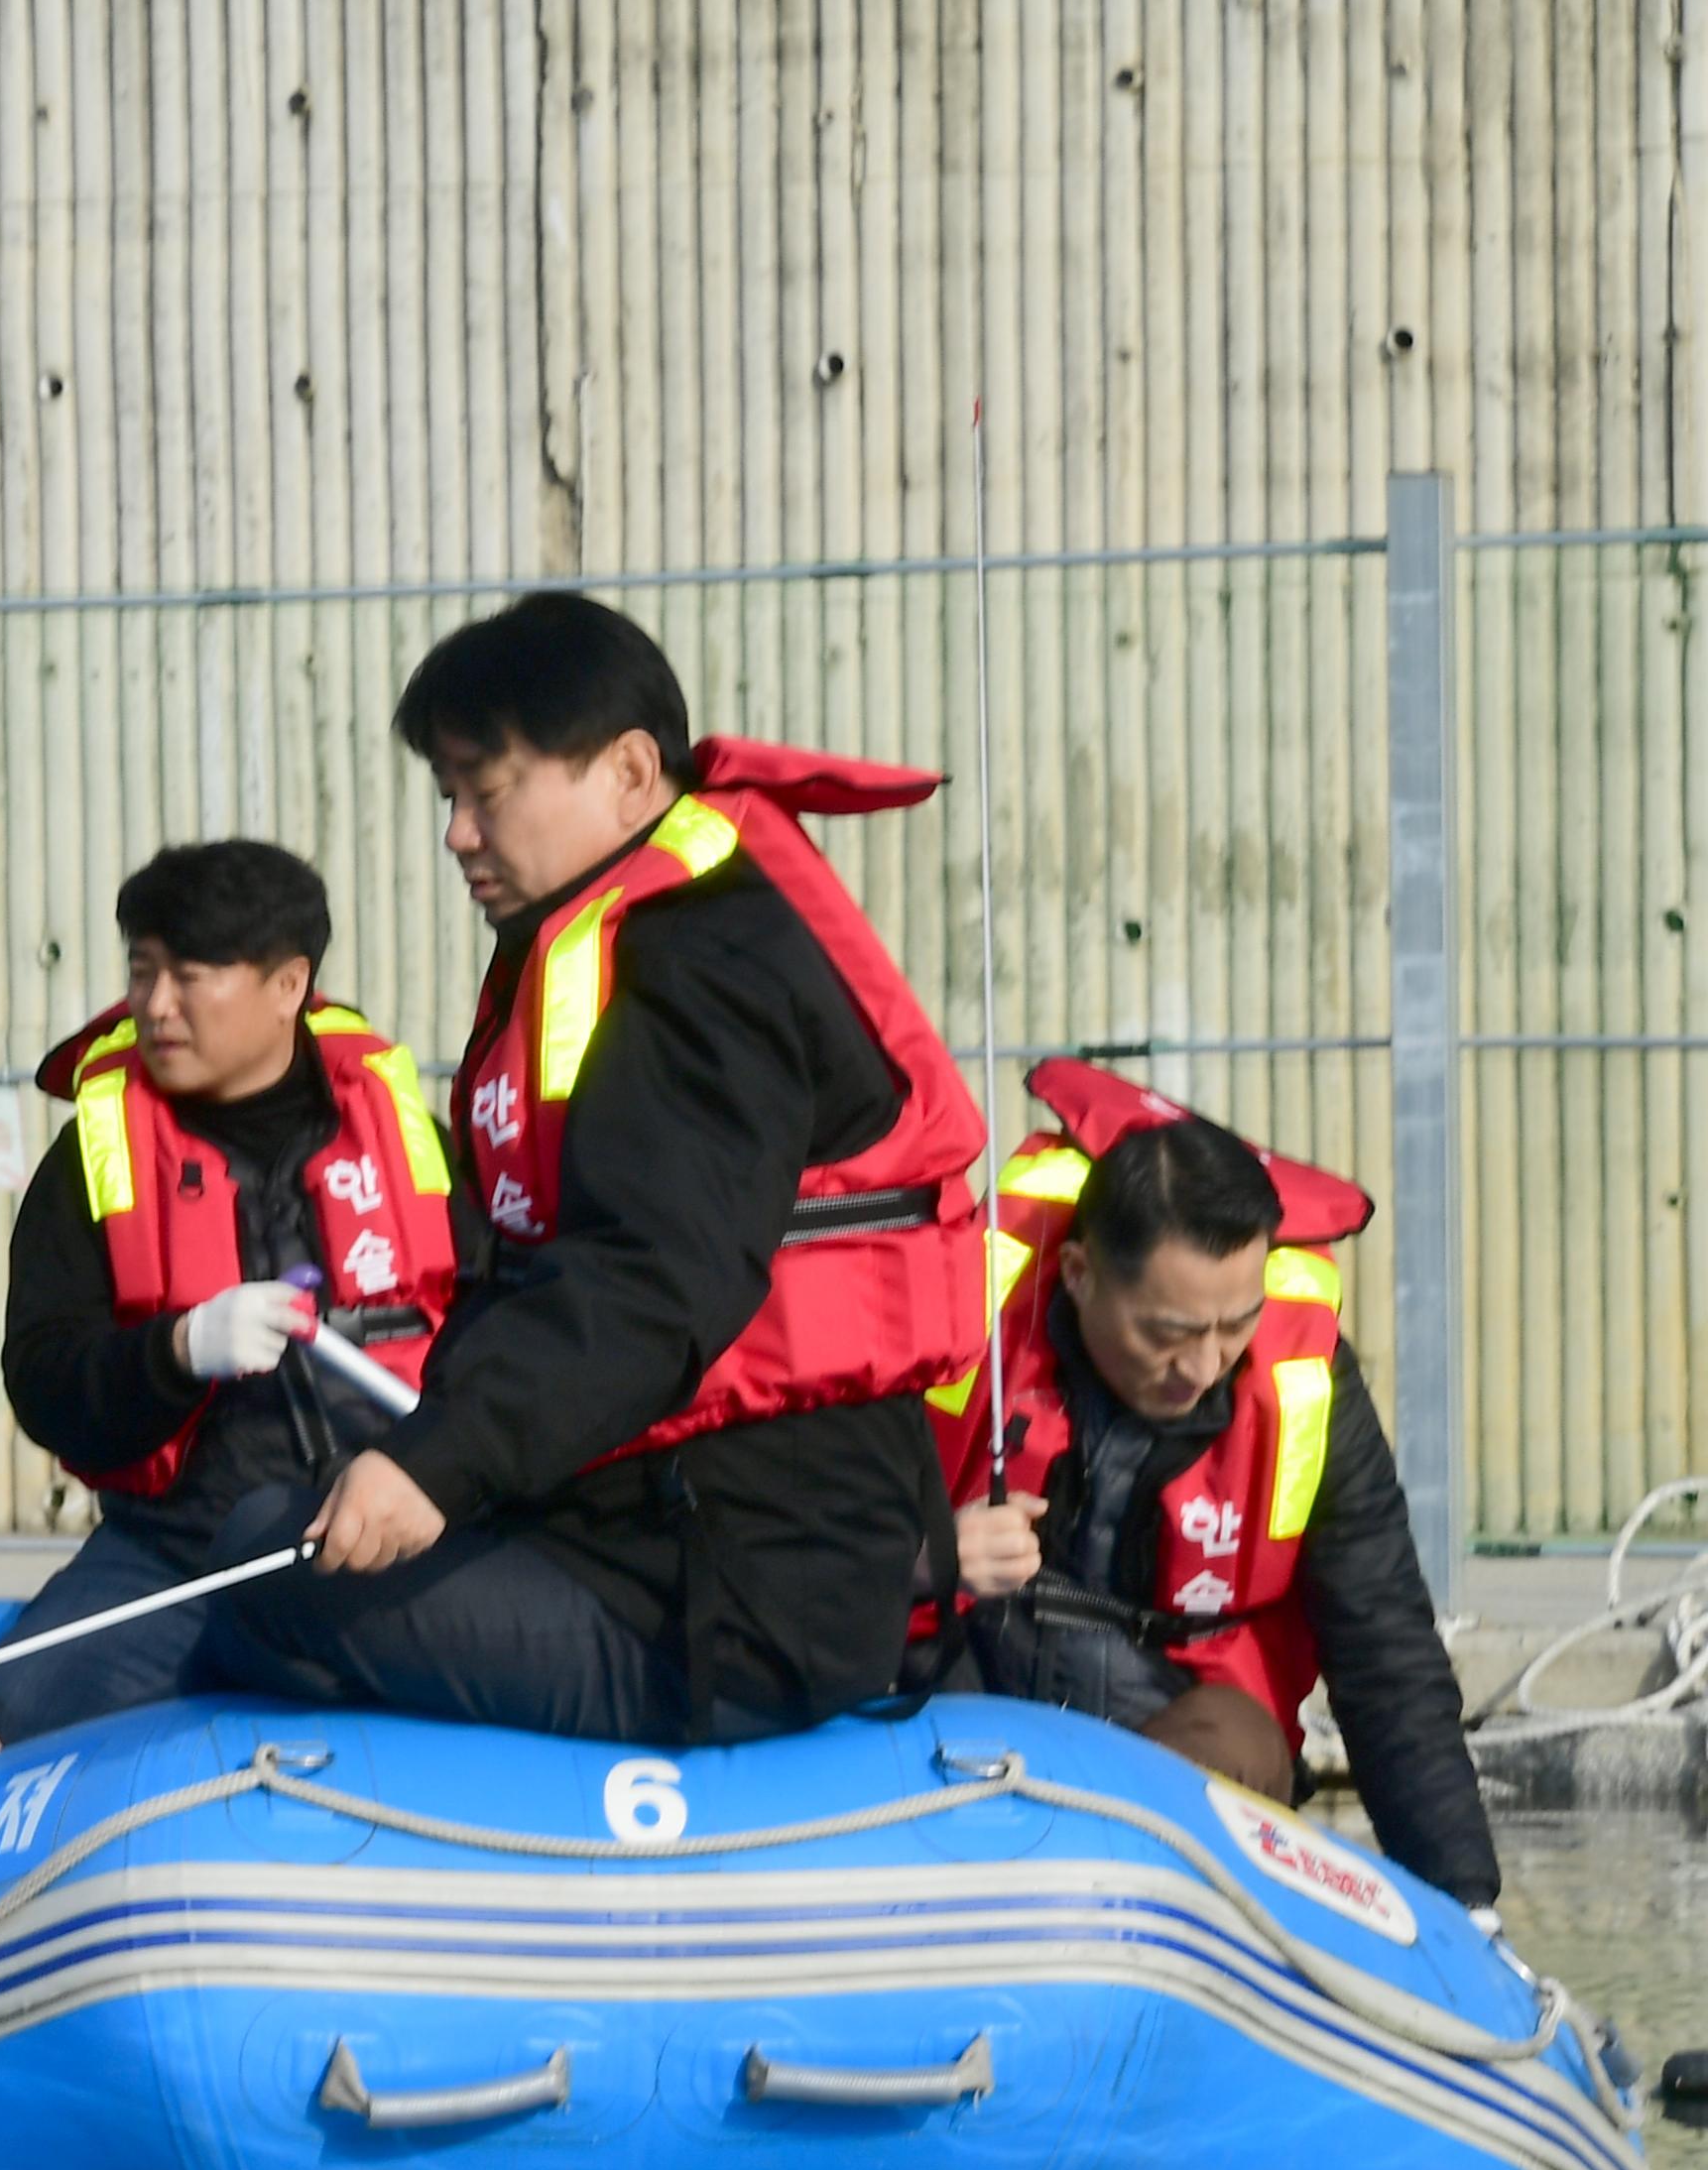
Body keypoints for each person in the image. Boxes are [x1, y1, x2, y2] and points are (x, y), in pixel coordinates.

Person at [203, 591, 988, 1745]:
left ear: (629, 770)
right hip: (618, 1522)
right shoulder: (608, 946)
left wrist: (438, 1465)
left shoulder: (702, 967)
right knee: (273, 1532)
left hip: (727, 1595)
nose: (458, 834)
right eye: (449, 798)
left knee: (263, 1562)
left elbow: (655, 1278)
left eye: (490, 791)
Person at [930, 1058, 1497, 1906]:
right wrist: (938, 1552)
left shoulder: (1305, 1385)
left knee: (1237, 1739)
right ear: (1080, 1275)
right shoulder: (964, 1331)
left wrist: (1467, 1901)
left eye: (1236, 1325)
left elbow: (1388, 1652)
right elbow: (821, 1537)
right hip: (965, 1708)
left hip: (1184, 1735)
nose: (1202, 1365)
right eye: (1169, 1332)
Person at [0, 838, 472, 1729]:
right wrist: (177, 1350)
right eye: (142, 974)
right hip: (180, 1556)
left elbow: (507, 1328)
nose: (155, 1007)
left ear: (289, 986)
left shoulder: (412, 1142)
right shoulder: (93, 1161)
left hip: (395, 1531)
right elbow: (44, 1382)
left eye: (190, 976)